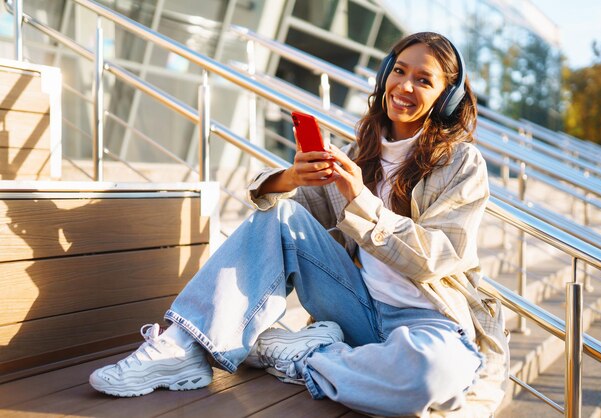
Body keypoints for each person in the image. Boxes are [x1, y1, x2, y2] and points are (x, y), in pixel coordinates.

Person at [89, 32, 509, 417]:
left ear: (445, 98)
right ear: (384, 76)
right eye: (399, 71)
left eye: (423, 80)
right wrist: (291, 177)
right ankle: (181, 347)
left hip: (424, 318)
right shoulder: (355, 153)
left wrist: (359, 198)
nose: (404, 86)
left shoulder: (461, 164)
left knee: (434, 377)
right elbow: (284, 218)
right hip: (354, 306)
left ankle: (303, 356)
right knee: (282, 213)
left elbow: (437, 257)